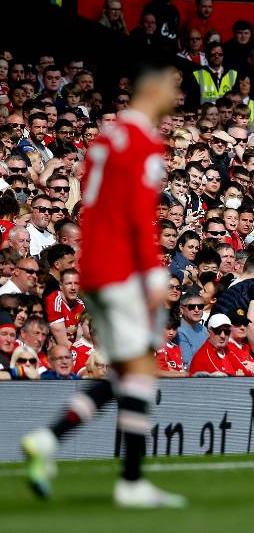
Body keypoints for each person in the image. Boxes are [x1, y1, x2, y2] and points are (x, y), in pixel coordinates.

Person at [21, 62, 186, 508]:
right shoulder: (142, 141)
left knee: (125, 372)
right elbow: (138, 210)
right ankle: (130, 481)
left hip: (93, 266)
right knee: (139, 373)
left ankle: (50, 439)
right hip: (122, 269)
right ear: (152, 90)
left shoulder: (104, 140)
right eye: (172, 87)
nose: (177, 95)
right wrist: (154, 274)